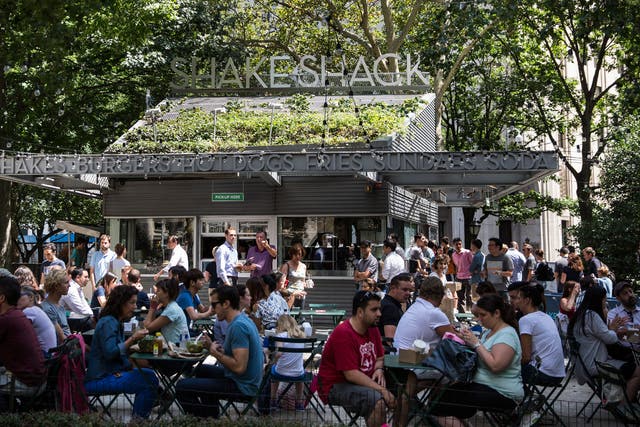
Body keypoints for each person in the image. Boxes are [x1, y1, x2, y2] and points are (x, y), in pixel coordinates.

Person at [432, 294, 524, 426]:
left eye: (483, 315)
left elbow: (495, 366)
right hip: (485, 386)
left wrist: (476, 343)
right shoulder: (490, 332)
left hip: (502, 392)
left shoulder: (507, 335)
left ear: (497, 313)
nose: (479, 319)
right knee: (442, 398)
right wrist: (463, 338)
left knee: (441, 406)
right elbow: (481, 352)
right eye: (478, 315)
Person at [176, 285, 264, 418]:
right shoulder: (241, 320)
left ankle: (202, 420)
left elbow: (239, 367)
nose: (211, 310)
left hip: (243, 385)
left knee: (182, 386)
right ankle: (211, 417)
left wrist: (215, 353)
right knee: (201, 370)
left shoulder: (238, 327)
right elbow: (237, 355)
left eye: (214, 305)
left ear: (226, 304)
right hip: (243, 379)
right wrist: (213, 347)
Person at [318, 291, 395, 427]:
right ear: (360, 312)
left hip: (363, 381)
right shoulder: (343, 333)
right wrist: (382, 390)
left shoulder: (372, 328)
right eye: (374, 310)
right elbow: (351, 374)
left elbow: (380, 356)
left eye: (379, 309)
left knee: (404, 389)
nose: (379, 314)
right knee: (377, 400)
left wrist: (379, 368)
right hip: (335, 386)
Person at [84, 285, 158, 419]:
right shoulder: (108, 322)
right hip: (99, 378)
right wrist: (133, 339)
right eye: (132, 303)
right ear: (120, 303)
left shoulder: (115, 321)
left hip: (111, 373)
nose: (135, 307)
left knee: (149, 374)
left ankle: (139, 420)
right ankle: (138, 421)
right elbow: (110, 352)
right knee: (148, 380)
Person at [569, 286, 640, 402]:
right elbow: (610, 339)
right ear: (598, 300)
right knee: (638, 372)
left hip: (584, 365)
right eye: (604, 299)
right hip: (596, 365)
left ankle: (623, 400)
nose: (605, 302)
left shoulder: (581, 315)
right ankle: (624, 406)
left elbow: (606, 336)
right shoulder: (593, 316)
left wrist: (611, 330)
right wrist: (613, 329)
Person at [0, 275, 46, 409]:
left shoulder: (7, 319)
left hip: (27, 383)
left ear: (2, 298)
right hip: (33, 378)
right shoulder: (16, 315)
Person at [517, 284, 565, 385]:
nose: (517, 301)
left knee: (503, 370)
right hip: (558, 375)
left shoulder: (526, 320)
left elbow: (526, 357)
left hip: (543, 374)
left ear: (527, 300)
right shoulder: (546, 317)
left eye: (519, 298)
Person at [269, 314, 307, 411]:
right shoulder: (301, 336)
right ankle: (299, 403)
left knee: (273, 372)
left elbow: (279, 354)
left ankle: (273, 400)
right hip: (298, 374)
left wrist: (272, 360)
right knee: (301, 375)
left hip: (281, 372)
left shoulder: (281, 336)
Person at [143, 278, 189, 345]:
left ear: (166, 293)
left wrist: (152, 307)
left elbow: (148, 328)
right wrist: (154, 307)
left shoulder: (171, 310)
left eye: (158, 291)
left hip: (179, 348)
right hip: (175, 346)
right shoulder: (170, 306)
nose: (155, 293)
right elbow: (150, 323)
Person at [16, 286, 57, 356]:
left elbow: (17, 332)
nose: (16, 300)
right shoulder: (37, 309)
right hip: (51, 354)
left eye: (19, 296)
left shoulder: (29, 311)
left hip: (45, 355)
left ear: (31, 297)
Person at [40, 269, 71, 344]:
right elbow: (62, 338)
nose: (69, 285)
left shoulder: (60, 306)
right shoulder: (48, 309)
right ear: (56, 286)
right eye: (66, 283)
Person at [378, 273, 413, 339]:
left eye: (409, 290)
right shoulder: (390, 308)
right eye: (404, 290)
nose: (408, 293)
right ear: (393, 288)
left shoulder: (387, 303)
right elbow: (390, 339)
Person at [452, 237, 473, 312]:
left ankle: (470, 313)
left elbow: (472, 263)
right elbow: (456, 266)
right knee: (460, 297)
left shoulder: (467, 252)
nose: (458, 246)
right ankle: (463, 314)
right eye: (456, 244)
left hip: (468, 277)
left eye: (460, 244)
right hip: (459, 277)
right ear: (453, 245)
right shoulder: (453, 254)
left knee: (469, 296)